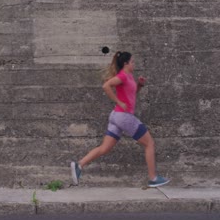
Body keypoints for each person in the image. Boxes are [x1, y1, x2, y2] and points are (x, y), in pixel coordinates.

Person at [70, 51, 170, 188]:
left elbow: (131, 95)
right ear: (125, 63)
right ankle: (153, 178)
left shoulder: (129, 76)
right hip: (124, 117)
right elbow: (106, 86)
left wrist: (139, 85)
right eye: (132, 62)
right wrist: (118, 101)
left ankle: (79, 164)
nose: (134, 64)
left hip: (116, 117)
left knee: (104, 148)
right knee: (150, 144)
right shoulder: (122, 76)